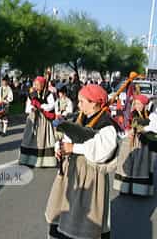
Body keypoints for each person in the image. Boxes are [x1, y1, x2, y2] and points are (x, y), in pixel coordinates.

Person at [45, 84, 119, 239]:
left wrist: (74, 148)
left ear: (94, 103)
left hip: (90, 178)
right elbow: (66, 137)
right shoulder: (80, 119)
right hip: (72, 175)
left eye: (82, 101)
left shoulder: (107, 126)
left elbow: (102, 152)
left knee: (84, 219)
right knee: (65, 211)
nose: (78, 105)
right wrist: (61, 149)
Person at [114, 94, 156, 196]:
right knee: (128, 164)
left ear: (144, 105)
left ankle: (139, 190)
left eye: (139, 103)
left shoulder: (151, 115)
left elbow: (153, 128)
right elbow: (123, 127)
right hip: (129, 141)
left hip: (142, 143)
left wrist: (142, 129)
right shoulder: (130, 114)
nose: (137, 105)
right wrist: (128, 131)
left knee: (140, 165)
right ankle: (125, 188)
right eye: (136, 103)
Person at [19, 76, 56, 168]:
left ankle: (44, 161)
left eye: (37, 84)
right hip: (33, 117)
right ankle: (27, 159)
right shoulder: (31, 95)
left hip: (43, 119)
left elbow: (51, 106)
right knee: (29, 138)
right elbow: (27, 108)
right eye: (35, 84)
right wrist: (32, 108)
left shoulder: (48, 94)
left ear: (43, 85)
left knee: (43, 139)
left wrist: (41, 106)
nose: (35, 86)